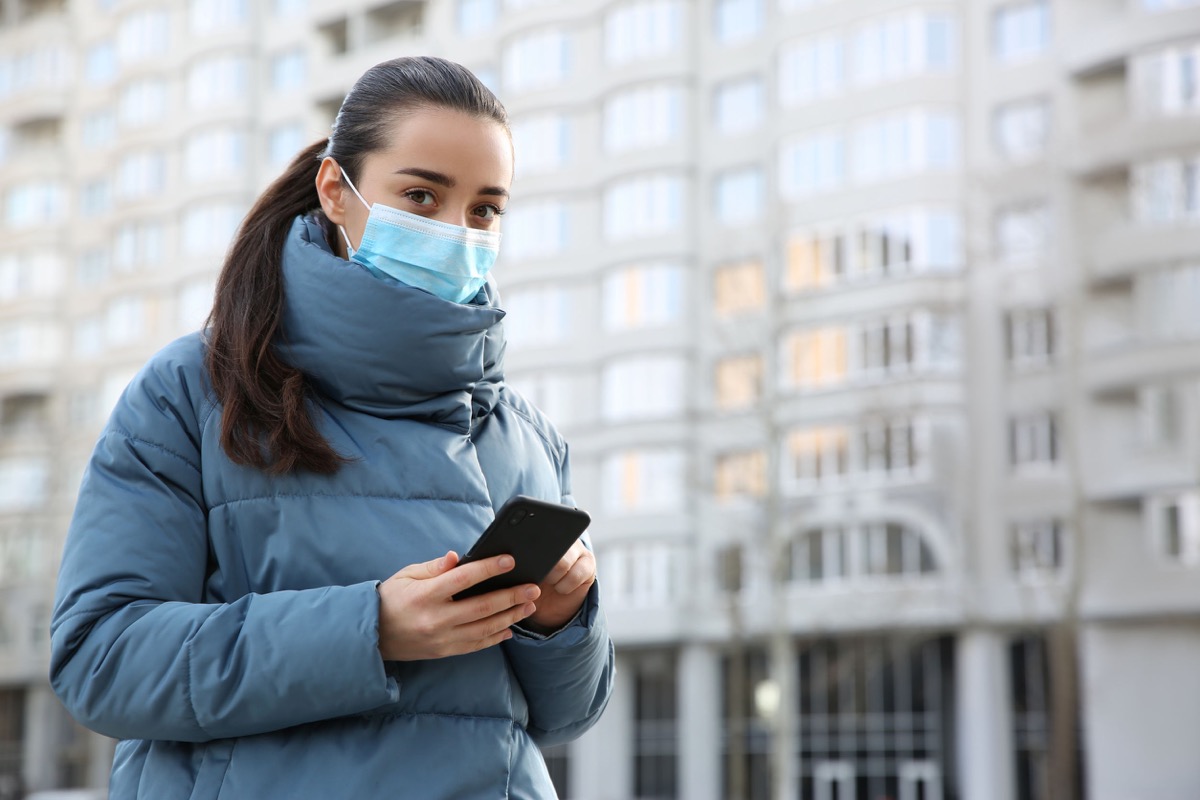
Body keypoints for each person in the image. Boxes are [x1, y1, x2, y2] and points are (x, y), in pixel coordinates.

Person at [49, 56, 614, 799]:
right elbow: (101, 661)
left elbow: (563, 717)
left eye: (484, 209)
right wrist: (367, 630)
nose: (457, 231)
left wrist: (563, 621)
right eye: (420, 195)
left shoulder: (526, 437)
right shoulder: (190, 392)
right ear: (335, 192)